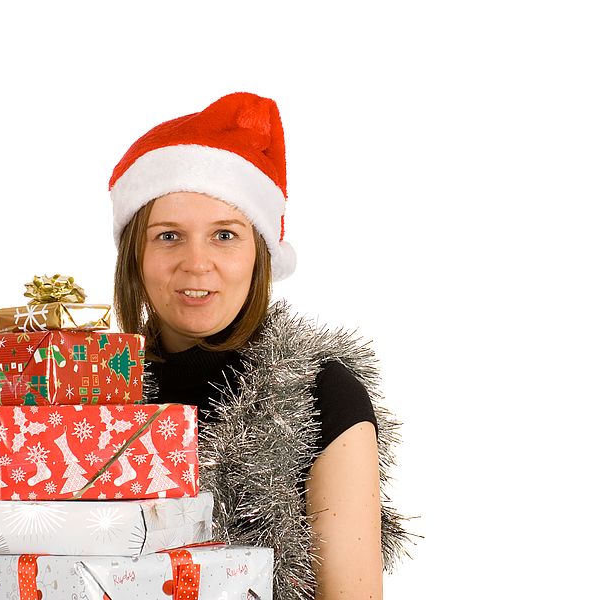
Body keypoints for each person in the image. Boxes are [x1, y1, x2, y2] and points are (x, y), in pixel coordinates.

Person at [109, 92, 409, 599]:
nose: (196, 263)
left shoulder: (320, 393)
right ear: (134, 253)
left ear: (260, 254)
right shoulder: (85, 400)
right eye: (168, 236)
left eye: (224, 235)